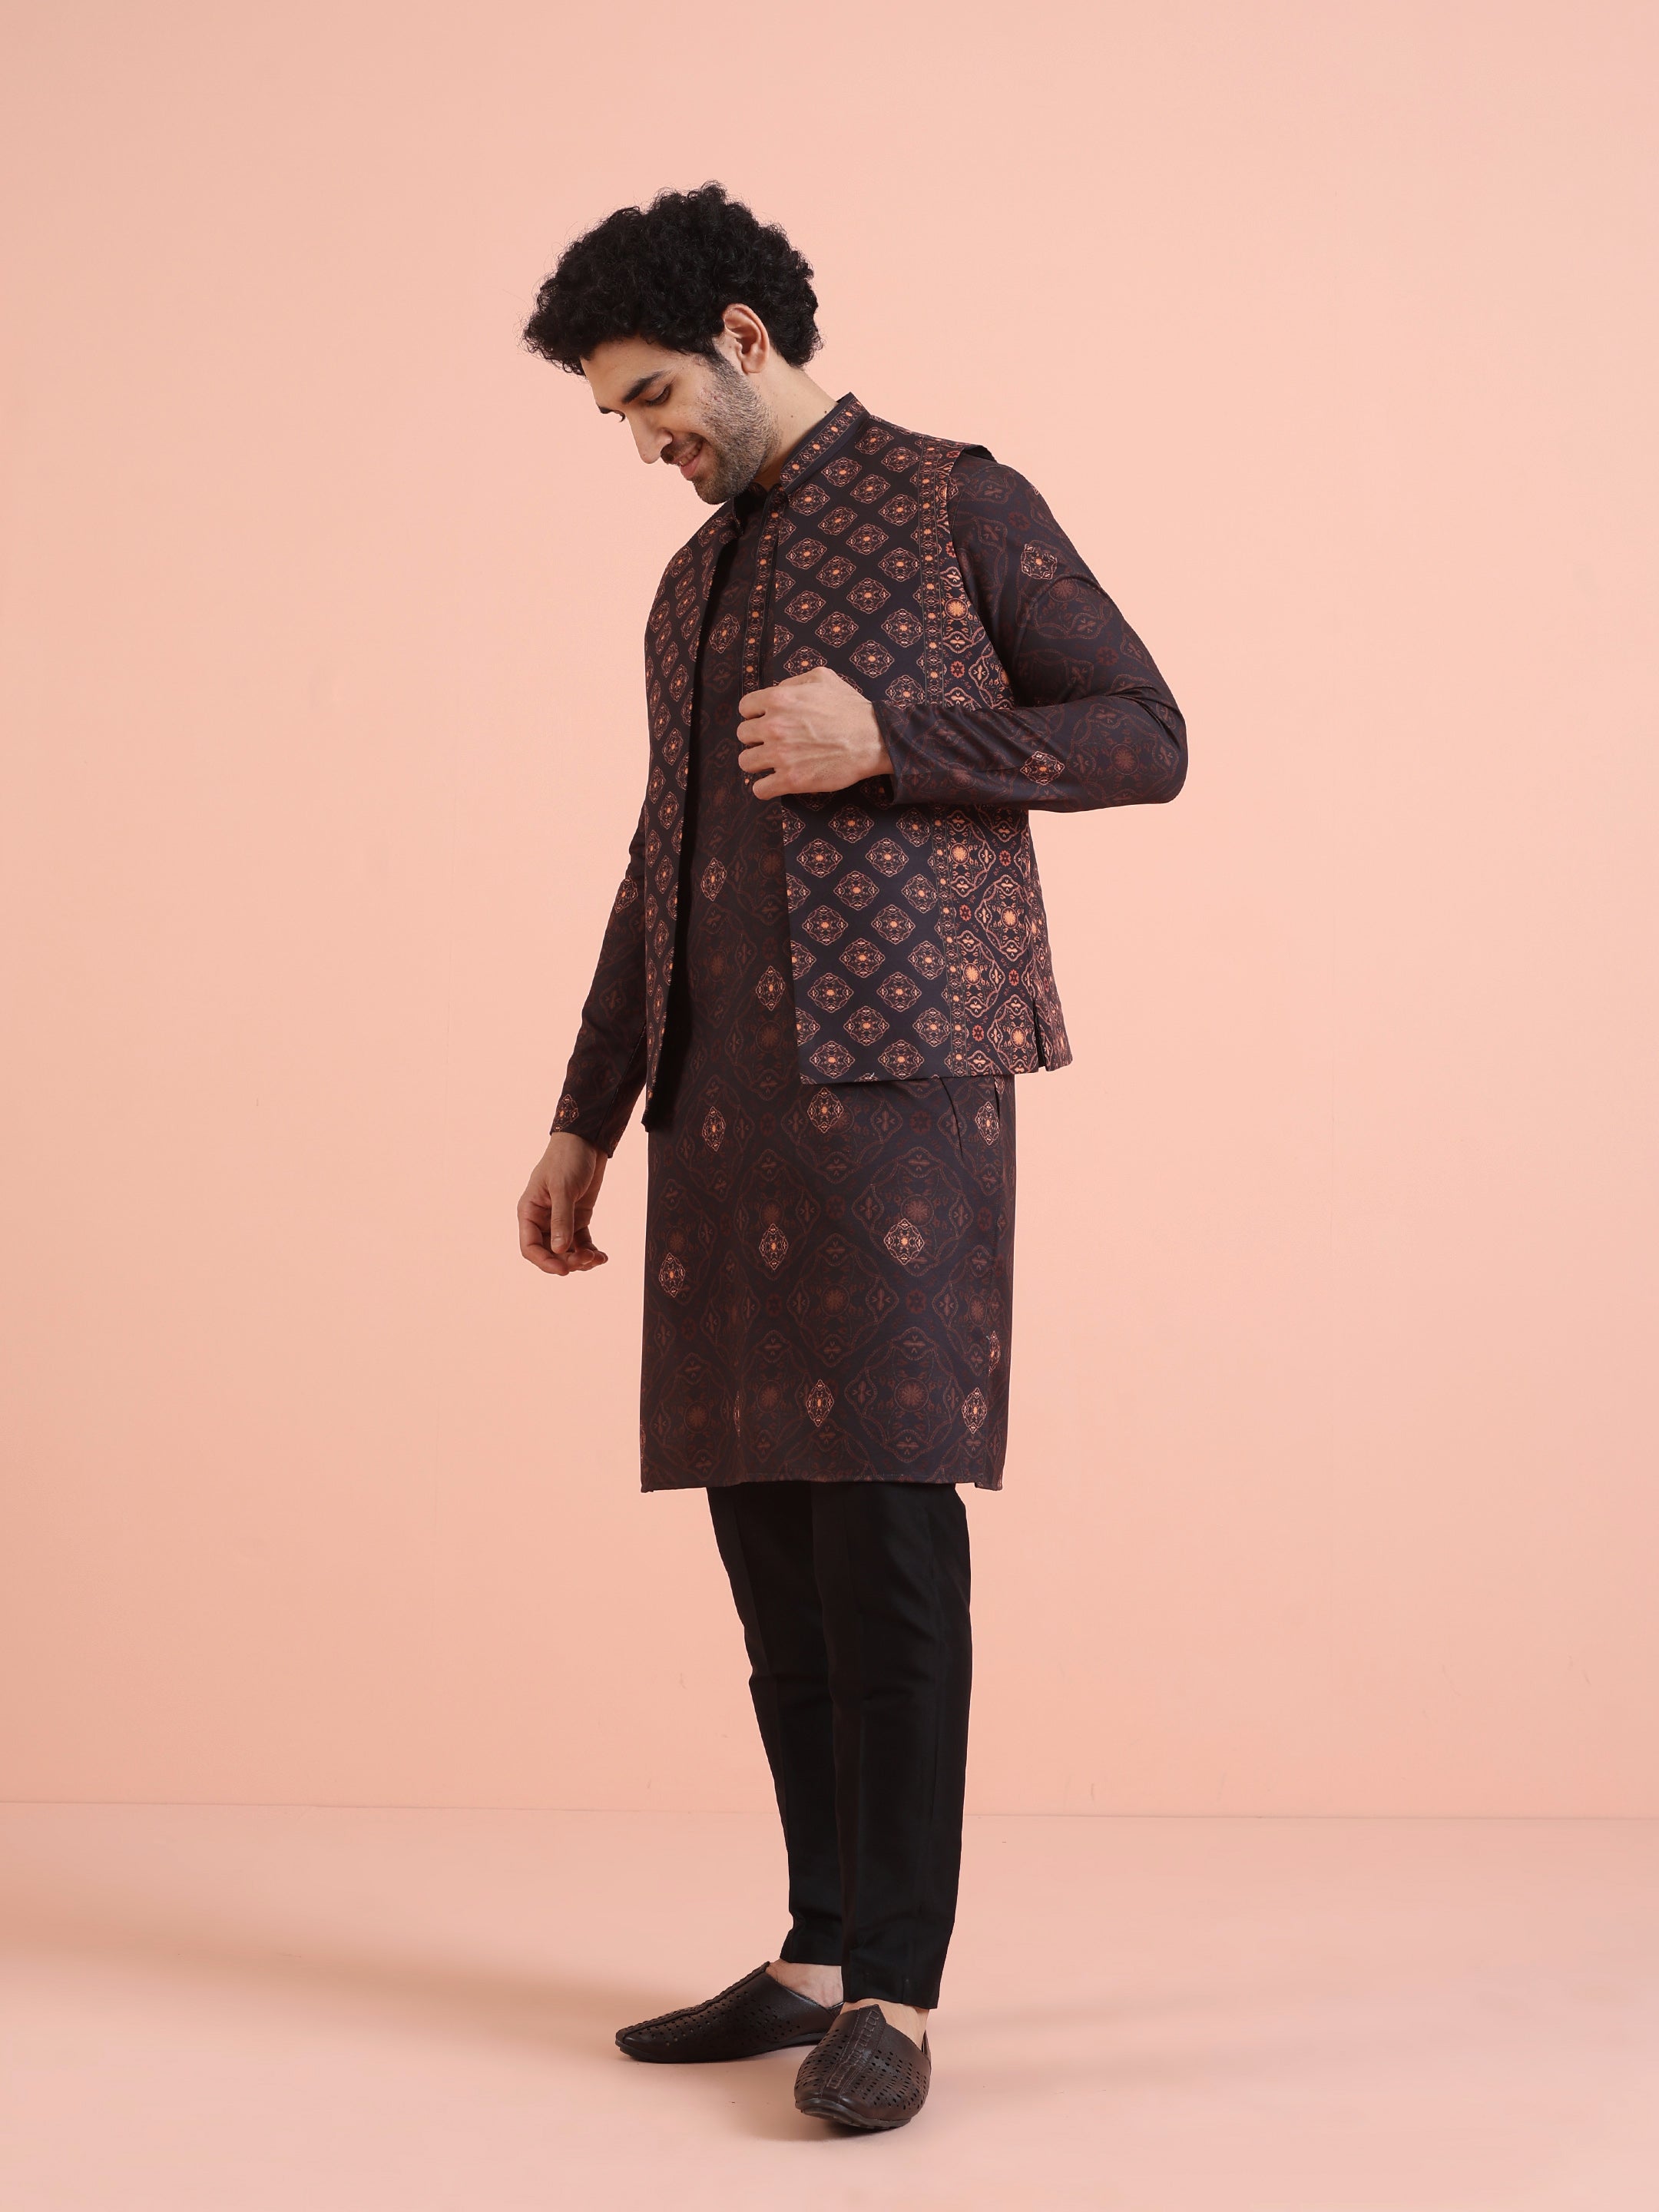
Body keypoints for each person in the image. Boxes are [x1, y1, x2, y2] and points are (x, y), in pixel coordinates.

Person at [515, 183, 1186, 2133]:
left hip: (903, 1091)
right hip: (720, 1112)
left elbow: (1144, 731)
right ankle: (816, 1950)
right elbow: (660, 860)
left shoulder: (958, 500)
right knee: (771, 1557)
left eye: (653, 399)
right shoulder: (687, 589)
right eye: (617, 418)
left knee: (884, 1541)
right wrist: (583, 1110)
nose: (645, 443)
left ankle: (896, 1990)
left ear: (742, 338)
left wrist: (895, 734)